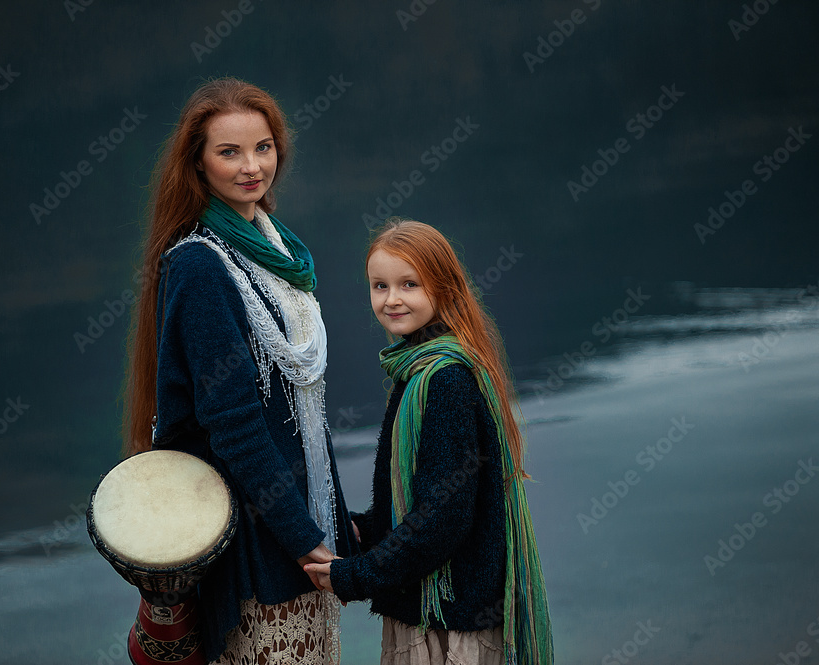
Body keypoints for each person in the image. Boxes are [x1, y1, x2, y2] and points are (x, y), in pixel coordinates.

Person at [122, 77, 358, 664]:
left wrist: (333, 522)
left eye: (263, 147)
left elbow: (305, 413)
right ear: (198, 166)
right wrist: (305, 540)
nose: (252, 166)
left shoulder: (274, 250)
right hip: (257, 542)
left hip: (299, 523)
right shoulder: (200, 265)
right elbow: (235, 428)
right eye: (228, 152)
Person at [305, 219, 554, 665]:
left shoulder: (446, 380)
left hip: (449, 625)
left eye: (409, 284)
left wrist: (357, 576)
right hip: (435, 611)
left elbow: (443, 520)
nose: (392, 299)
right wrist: (360, 527)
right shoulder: (417, 369)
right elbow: (418, 501)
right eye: (379, 285)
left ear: (444, 289)